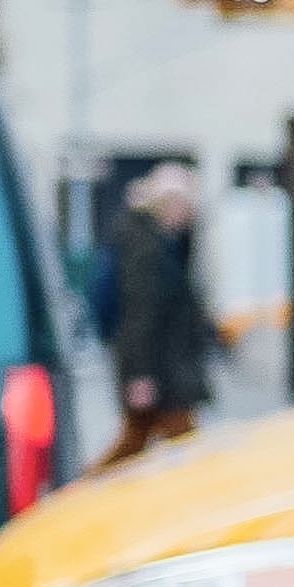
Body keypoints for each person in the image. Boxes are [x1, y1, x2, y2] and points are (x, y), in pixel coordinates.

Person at [91, 161, 219, 466]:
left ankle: (86, 492)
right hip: (162, 371)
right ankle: (84, 494)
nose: (188, 213)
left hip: (165, 369)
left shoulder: (160, 240)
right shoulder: (146, 245)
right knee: (179, 447)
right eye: (185, 204)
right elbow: (140, 313)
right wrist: (139, 376)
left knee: (137, 440)